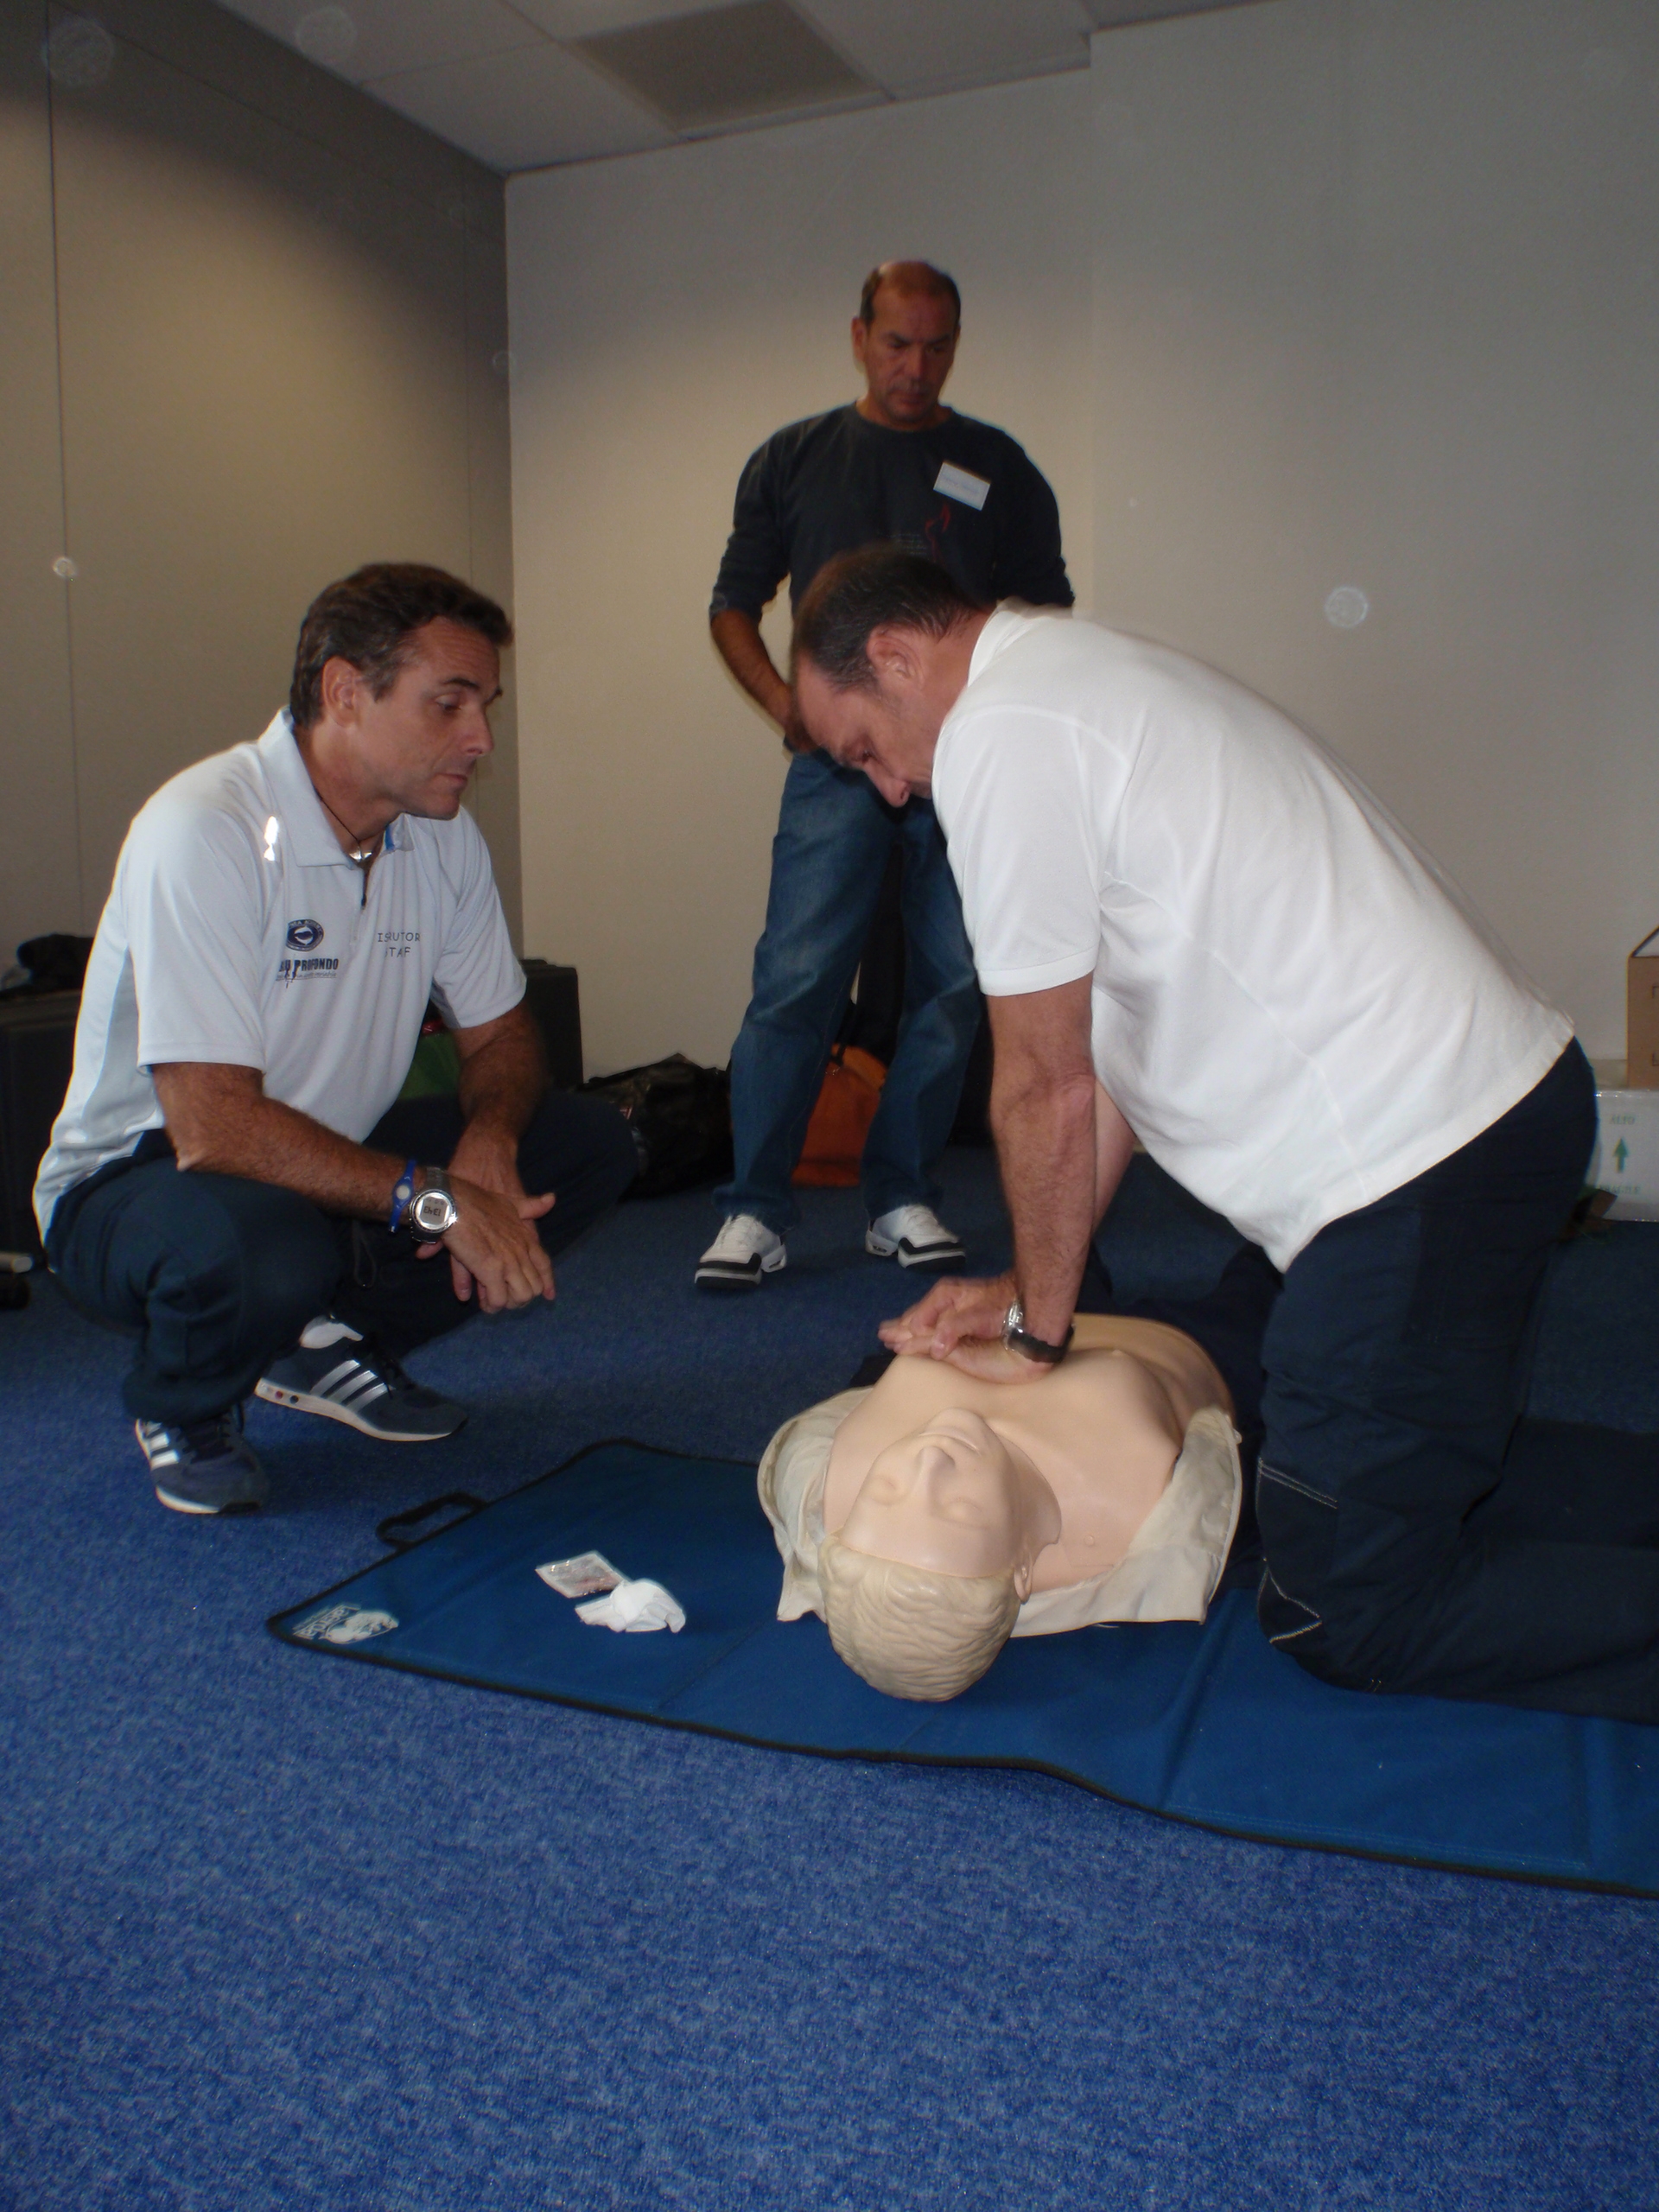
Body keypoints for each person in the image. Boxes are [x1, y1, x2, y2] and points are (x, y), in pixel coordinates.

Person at [789, 545, 1659, 1729]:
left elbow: (1042, 1089)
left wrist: (1038, 1336)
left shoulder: (1002, 735)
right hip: (1484, 1122)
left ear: (895, 658)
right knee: (1429, 1474)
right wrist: (1025, 1298)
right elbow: (1106, 1077)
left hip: (1420, 1168)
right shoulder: (1076, 677)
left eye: (864, 751)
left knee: (1346, 1604)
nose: (889, 789)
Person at [35, 564, 638, 1516]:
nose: (481, 738)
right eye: (449, 704)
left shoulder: (441, 837)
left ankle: (314, 1342)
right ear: (345, 693)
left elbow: (505, 1037)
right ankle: (183, 1400)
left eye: (485, 707)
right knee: (266, 1246)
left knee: (589, 1144)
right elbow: (214, 1128)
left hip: (320, 1162)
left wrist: (490, 1141)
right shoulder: (208, 827)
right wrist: (437, 1201)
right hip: (144, 1177)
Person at [696, 260, 1073, 1290]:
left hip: (964, 770)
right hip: (835, 771)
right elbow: (732, 603)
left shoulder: (996, 465)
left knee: (952, 985)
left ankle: (899, 1195)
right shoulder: (795, 458)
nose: (916, 366)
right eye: (897, 343)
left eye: (936, 346)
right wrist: (788, 705)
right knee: (795, 982)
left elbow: (1044, 612)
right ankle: (753, 1210)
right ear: (859, 337)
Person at [760, 1308, 1243, 1702]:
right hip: (1176, 1331)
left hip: (1018, 1305)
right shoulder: (1128, 1503)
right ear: (1022, 1571)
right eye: (960, 1509)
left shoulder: (835, 1481)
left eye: (885, 1488)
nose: (929, 1462)